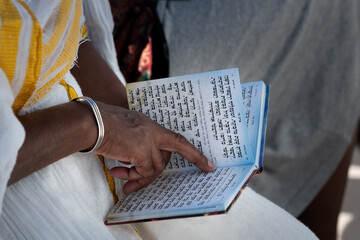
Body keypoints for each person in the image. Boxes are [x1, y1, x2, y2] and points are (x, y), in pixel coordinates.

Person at [0, 0, 317, 239]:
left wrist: (132, 116)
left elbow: (61, 38)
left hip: (94, 129)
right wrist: (96, 125)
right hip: (27, 178)